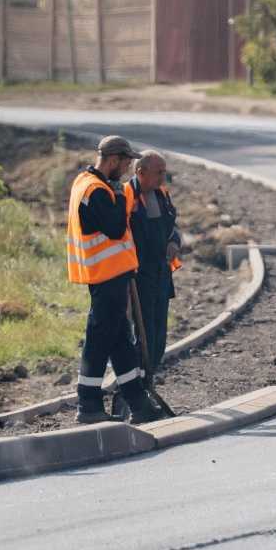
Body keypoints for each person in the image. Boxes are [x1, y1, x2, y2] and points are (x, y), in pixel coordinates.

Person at [66, 135, 162, 424]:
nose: (127, 169)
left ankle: (137, 402)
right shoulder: (97, 190)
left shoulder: (87, 183)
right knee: (99, 339)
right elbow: (116, 228)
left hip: (112, 275)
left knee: (121, 340)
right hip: (106, 276)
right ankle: (88, 404)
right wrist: (120, 195)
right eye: (125, 162)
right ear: (113, 160)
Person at [123, 150, 182, 380]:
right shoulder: (126, 196)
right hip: (139, 278)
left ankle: (148, 379)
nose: (163, 177)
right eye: (159, 172)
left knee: (158, 337)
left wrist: (174, 242)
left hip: (162, 275)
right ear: (140, 172)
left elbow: (173, 228)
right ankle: (134, 388)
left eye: (164, 172)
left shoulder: (162, 195)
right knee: (143, 336)